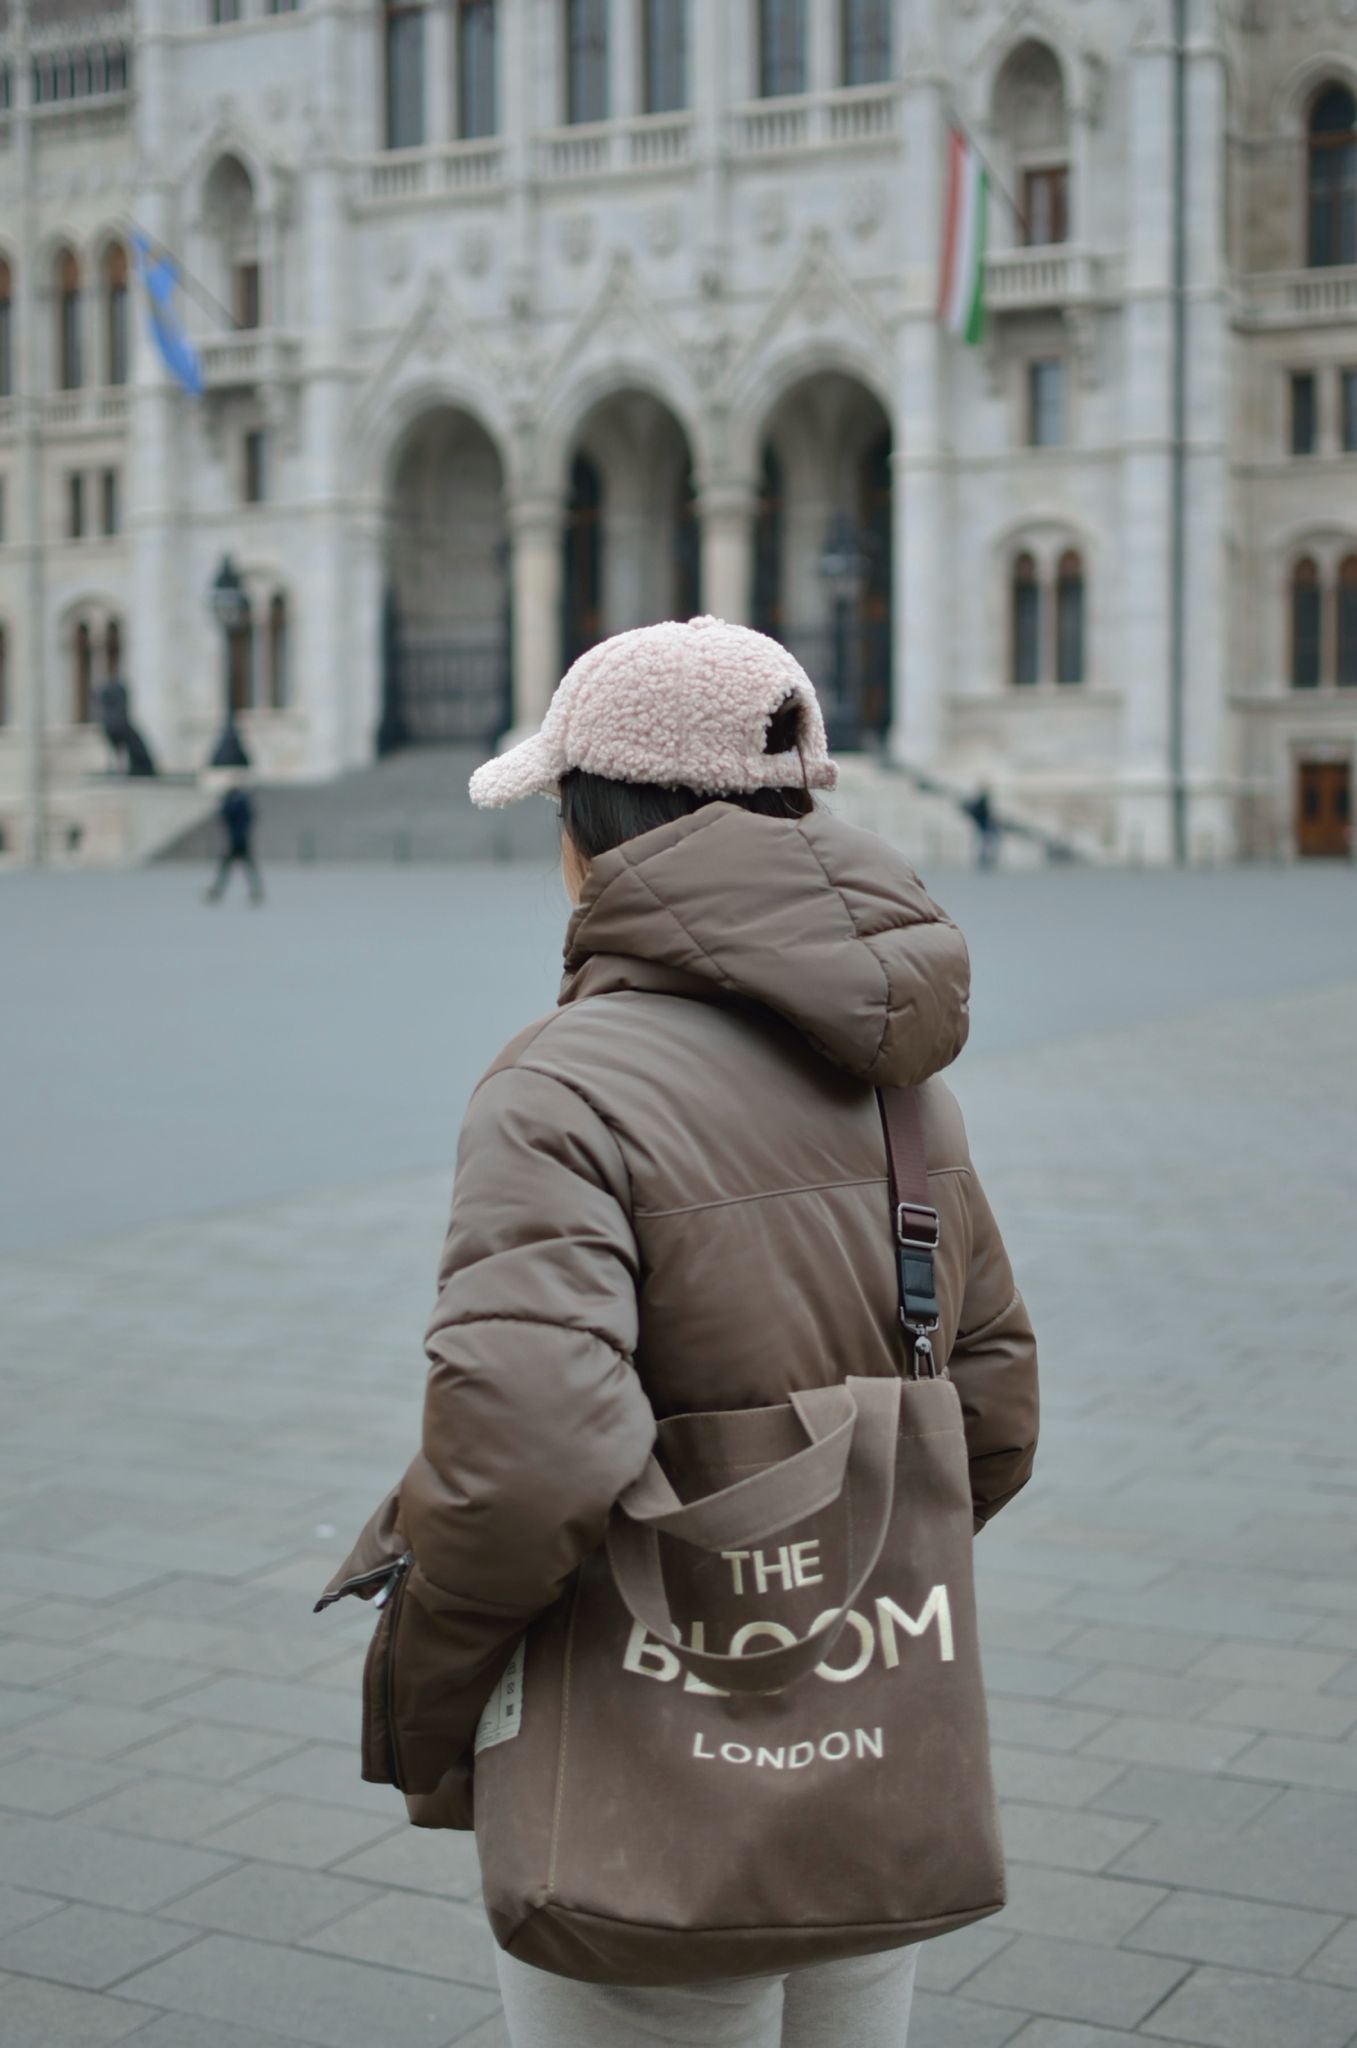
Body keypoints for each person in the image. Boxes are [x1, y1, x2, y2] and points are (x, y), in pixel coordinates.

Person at [325, 617, 1038, 2048]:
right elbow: (994, 1408)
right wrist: (835, 1574)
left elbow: (529, 1462)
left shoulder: (560, 1087)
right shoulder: (903, 1080)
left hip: (647, 1804)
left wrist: (426, 1690)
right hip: (867, 1770)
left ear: (592, 829)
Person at [205, 781, 264, 904]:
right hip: (239, 839)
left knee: (230, 867)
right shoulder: (242, 805)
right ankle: (256, 890)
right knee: (244, 867)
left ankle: (219, 890)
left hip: (237, 840)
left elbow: (226, 815)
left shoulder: (236, 806)